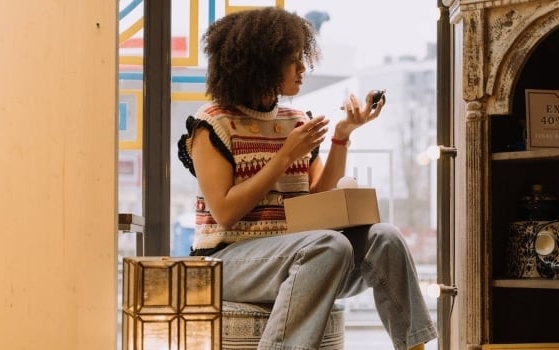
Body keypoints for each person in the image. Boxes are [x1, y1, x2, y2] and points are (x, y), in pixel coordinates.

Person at [177, 7, 437, 350]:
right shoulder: (213, 125)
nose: (303, 69)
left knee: (385, 237)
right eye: (292, 61)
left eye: (303, 59)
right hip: (228, 262)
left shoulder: (297, 120)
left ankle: (414, 347)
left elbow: (318, 198)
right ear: (262, 64)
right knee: (329, 244)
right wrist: (284, 155)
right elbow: (225, 212)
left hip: (303, 256)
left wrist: (342, 135)